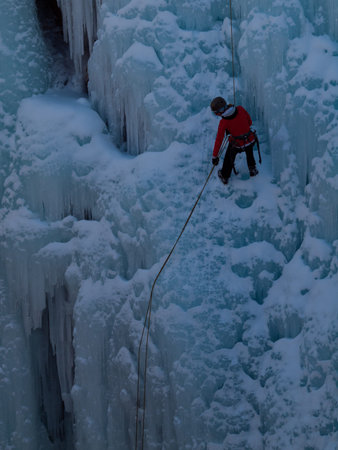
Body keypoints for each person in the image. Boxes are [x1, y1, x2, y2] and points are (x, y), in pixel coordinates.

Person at [210, 96, 259, 185]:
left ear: (219, 112)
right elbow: (249, 122)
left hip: (237, 145)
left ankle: (224, 175)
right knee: (249, 149)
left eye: (216, 113)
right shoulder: (240, 108)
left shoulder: (223, 122)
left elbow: (219, 140)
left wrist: (215, 156)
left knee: (229, 156)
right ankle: (252, 169)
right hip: (249, 140)